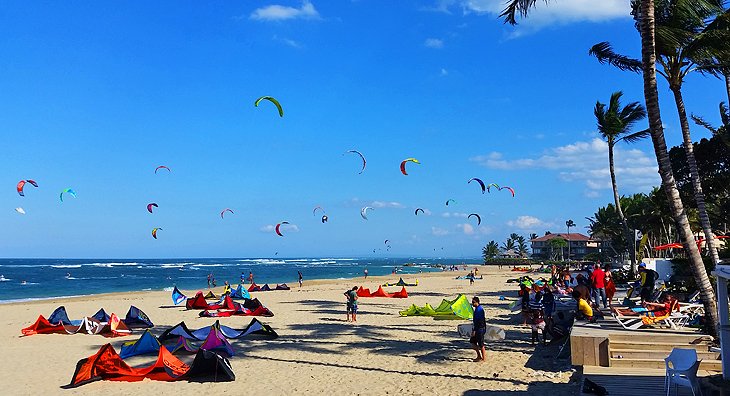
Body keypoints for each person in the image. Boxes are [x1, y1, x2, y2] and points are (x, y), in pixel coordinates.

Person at [469, 296, 487, 362]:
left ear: (477, 302)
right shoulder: (477, 309)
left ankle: (484, 358)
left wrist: (475, 330)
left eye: (473, 302)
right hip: (477, 329)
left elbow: (480, 322)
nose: (472, 304)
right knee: (472, 342)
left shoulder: (479, 310)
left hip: (480, 329)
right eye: (472, 302)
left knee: (481, 344)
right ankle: (479, 356)